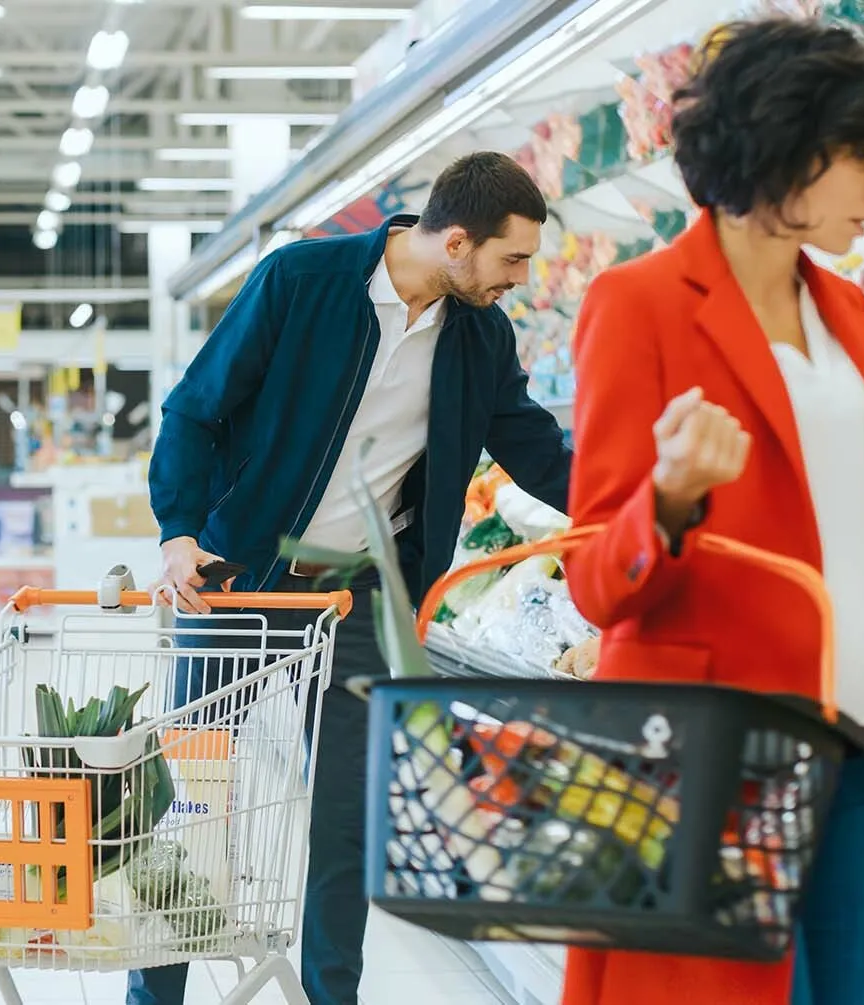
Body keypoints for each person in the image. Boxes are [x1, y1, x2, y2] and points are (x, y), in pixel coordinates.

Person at [563, 19, 864, 1005]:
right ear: (786, 151)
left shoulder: (845, 314)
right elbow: (591, 579)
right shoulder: (638, 303)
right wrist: (666, 498)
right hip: (721, 755)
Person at [137, 152, 573, 1005]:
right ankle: (153, 997)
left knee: (346, 819)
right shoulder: (300, 280)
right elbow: (195, 406)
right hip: (235, 582)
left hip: (361, 599)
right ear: (456, 241)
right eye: (511, 260)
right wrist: (179, 533)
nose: (520, 280)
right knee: (196, 808)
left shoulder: (479, 336)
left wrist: (653, 499)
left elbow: (535, 449)